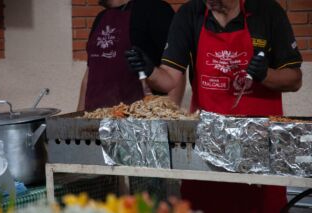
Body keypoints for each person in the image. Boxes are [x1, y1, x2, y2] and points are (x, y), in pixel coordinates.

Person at [125, 0, 303, 212]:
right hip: (205, 153)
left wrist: (266, 75)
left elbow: (294, 79)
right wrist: (150, 70)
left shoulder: (268, 12)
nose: (210, 3)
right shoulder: (190, 14)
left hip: (259, 150)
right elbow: (169, 79)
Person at [77, 0, 179, 111]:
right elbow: (89, 74)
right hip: (94, 121)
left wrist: (171, 118)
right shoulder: (101, 18)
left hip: (138, 121)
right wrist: (77, 122)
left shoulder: (157, 10)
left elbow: (176, 71)